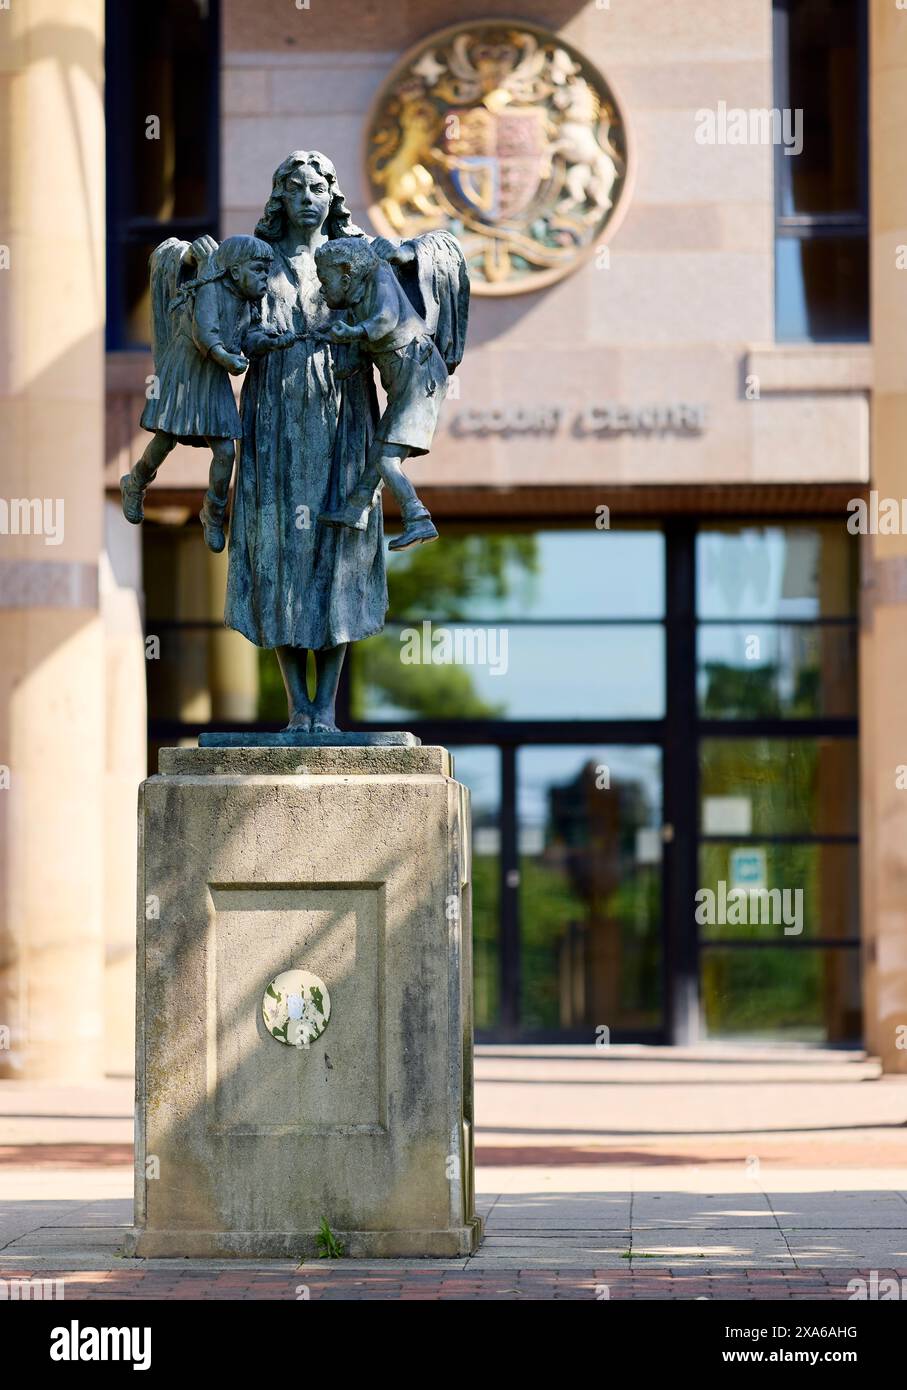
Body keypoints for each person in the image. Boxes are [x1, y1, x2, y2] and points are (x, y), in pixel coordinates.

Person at [120, 235, 294, 552]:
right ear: (235, 271)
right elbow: (205, 332)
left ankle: (212, 512)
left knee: (226, 451)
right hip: (187, 370)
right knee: (166, 438)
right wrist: (226, 357)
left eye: (266, 273)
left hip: (212, 377)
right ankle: (136, 481)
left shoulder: (247, 305)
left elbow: (248, 339)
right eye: (257, 271)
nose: (264, 280)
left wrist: (270, 341)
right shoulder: (210, 290)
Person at [314, 237, 447, 551]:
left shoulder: (379, 277)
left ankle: (418, 518)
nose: (322, 290)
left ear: (346, 274)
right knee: (379, 452)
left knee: (388, 459)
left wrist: (356, 333)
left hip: (420, 376)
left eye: (325, 281)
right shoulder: (356, 301)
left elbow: (386, 318)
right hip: (404, 381)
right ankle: (356, 508)